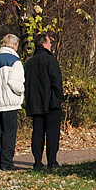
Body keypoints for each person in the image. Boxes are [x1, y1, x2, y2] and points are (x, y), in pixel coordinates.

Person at [0, 34, 25, 171]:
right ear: (14, 45)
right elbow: (16, 84)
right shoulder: (15, 61)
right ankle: (7, 163)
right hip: (10, 102)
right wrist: (21, 92)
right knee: (9, 133)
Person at [25, 32, 64, 169]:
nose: (51, 44)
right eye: (49, 42)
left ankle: (37, 161)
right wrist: (60, 98)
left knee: (37, 133)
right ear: (44, 44)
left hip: (35, 103)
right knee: (52, 134)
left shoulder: (29, 63)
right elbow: (56, 81)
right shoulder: (50, 60)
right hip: (51, 102)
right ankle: (52, 161)